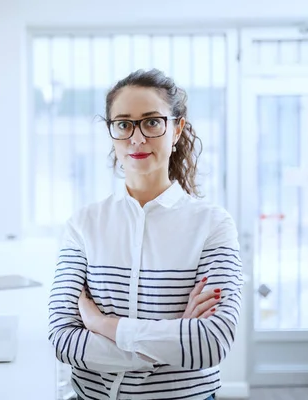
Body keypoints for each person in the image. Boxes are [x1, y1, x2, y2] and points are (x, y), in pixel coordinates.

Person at [47, 69, 243, 400]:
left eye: (152, 122)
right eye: (123, 124)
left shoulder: (213, 225)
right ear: (111, 132)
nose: (136, 138)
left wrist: (102, 325)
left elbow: (213, 342)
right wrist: (174, 342)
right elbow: (62, 338)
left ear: (176, 128)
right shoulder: (83, 225)